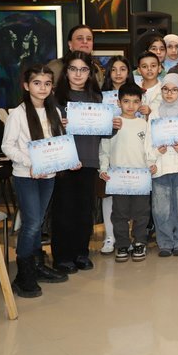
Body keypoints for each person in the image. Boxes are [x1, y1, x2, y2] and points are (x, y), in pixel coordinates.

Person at [2, 64, 70, 297]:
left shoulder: (55, 111)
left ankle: (37, 265)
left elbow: (58, 143)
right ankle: (23, 275)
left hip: (48, 176)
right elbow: (7, 146)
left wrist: (69, 160)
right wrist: (29, 162)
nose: (42, 88)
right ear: (26, 85)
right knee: (31, 223)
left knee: (38, 222)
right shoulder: (18, 114)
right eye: (37, 83)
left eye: (47, 83)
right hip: (26, 176)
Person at [51, 51, 115, 274]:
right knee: (64, 210)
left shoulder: (97, 98)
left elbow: (104, 133)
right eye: (73, 69)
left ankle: (81, 253)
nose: (78, 74)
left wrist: (112, 127)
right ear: (66, 71)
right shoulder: (56, 98)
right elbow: (46, 130)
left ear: (90, 73)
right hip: (64, 161)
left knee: (85, 210)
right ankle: (62, 256)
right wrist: (58, 125)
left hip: (88, 160)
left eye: (83, 69)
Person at [100, 82, 155, 262]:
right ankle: (122, 243)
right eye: (126, 101)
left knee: (141, 213)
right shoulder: (113, 124)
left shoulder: (144, 124)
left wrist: (151, 164)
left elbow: (149, 149)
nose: (131, 106)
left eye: (135, 101)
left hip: (141, 178)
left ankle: (139, 242)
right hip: (118, 178)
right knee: (119, 213)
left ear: (140, 103)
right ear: (118, 103)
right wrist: (103, 168)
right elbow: (104, 149)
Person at [147, 74, 178, 257]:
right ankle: (165, 242)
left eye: (174, 90)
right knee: (161, 209)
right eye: (165, 89)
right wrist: (154, 155)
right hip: (161, 167)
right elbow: (148, 144)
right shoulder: (155, 114)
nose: (169, 93)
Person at [136, 52, 163, 118]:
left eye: (153, 66)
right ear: (139, 70)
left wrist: (150, 113)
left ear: (159, 68)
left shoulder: (165, 90)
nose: (149, 69)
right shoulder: (133, 89)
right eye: (144, 66)